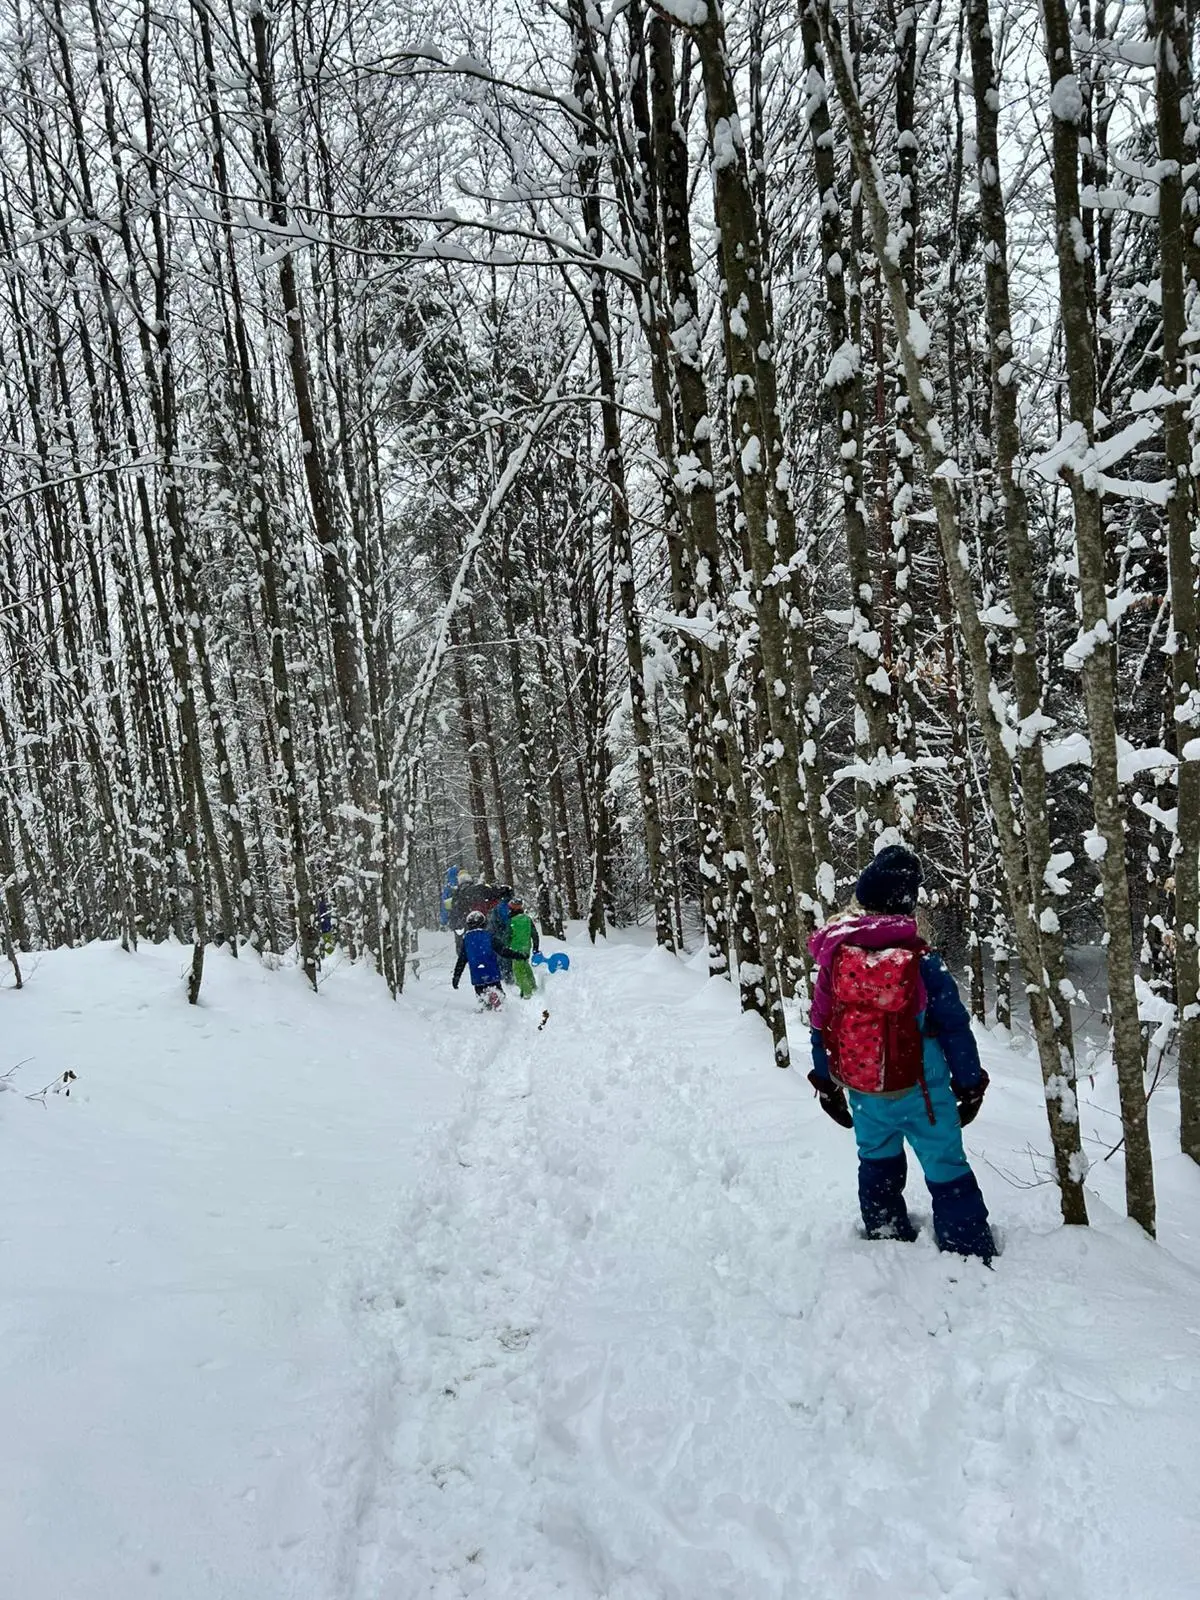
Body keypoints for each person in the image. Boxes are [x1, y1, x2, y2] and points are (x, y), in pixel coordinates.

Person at [806, 845, 995, 1264]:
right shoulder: (924, 962)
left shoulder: (836, 959)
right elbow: (955, 1028)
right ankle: (965, 1245)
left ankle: (885, 1228)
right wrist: (969, 1084)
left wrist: (826, 1085)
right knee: (945, 1162)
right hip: (924, 1092)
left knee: (876, 1158)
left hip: (864, 1089)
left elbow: (820, 1025)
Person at [452, 910, 523, 1008]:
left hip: (477, 976)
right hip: (492, 973)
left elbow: (462, 960)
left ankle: (486, 1010)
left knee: (483, 1000)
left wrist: (456, 976)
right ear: (484, 923)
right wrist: (518, 955)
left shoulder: (466, 939)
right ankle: (501, 1011)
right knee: (500, 999)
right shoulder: (489, 936)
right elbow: (503, 951)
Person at [506, 898, 541, 1000]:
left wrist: (505, 946)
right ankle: (533, 986)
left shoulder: (511, 921)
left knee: (518, 971)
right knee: (525, 966)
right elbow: (534, 934)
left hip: (515, 949)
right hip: (526, 948)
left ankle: (526, 992)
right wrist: (535, 947)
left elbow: (507, 935)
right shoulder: (527, 919)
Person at [488, 887, 514, 983]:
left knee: (503, 957)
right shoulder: (513, 906)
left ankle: (506, 977)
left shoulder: (498, 908)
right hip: (512, 936)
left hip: (500, 936)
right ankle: (510, 975)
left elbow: (492, 925)